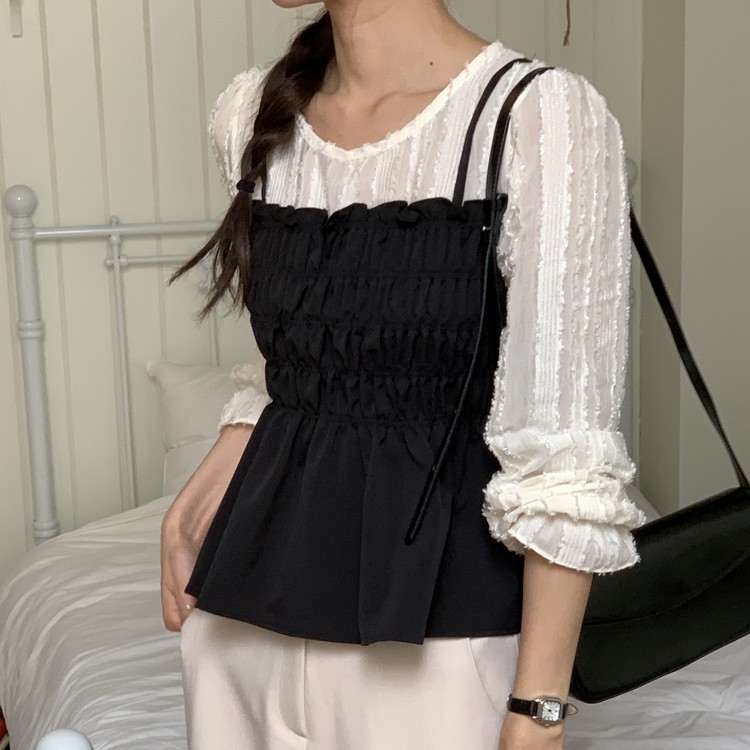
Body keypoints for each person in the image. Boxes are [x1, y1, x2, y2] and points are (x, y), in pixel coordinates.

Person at [160, 1, 647, 748]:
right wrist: (210, 478)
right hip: (241, 628)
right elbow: (303, 363)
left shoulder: (538, 117)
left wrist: (538, 712)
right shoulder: (252, 115)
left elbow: (564, 450)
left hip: (437, 632)